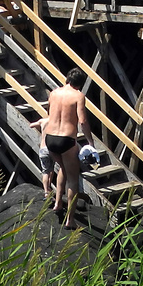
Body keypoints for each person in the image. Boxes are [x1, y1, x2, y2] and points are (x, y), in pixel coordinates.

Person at [42, 67, 90, 228]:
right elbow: (82, 121)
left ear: (67, 79)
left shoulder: (54, 93)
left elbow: (50, 114)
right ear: (80, 84)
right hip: (66, 140)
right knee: (73, 179)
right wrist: (90, 142)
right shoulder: (79, 96)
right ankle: (70, 220)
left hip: (50, 139)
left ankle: (57, 203)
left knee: (62, 167)